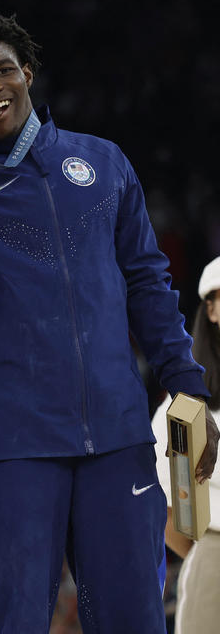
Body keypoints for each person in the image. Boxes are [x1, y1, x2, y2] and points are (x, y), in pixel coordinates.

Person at [0, 12, 220, 631]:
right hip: (13, 447)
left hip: (117, 437)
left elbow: (148, 282)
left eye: (3, 70)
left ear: (28, 73)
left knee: (135, 620)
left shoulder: (101, 163)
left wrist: (189, 388)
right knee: (19, 622)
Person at [154, 256, 220, 633]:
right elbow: (169, 512)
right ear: (210, 309)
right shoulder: (185, 403)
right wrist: (209, 557)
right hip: (214, 553)